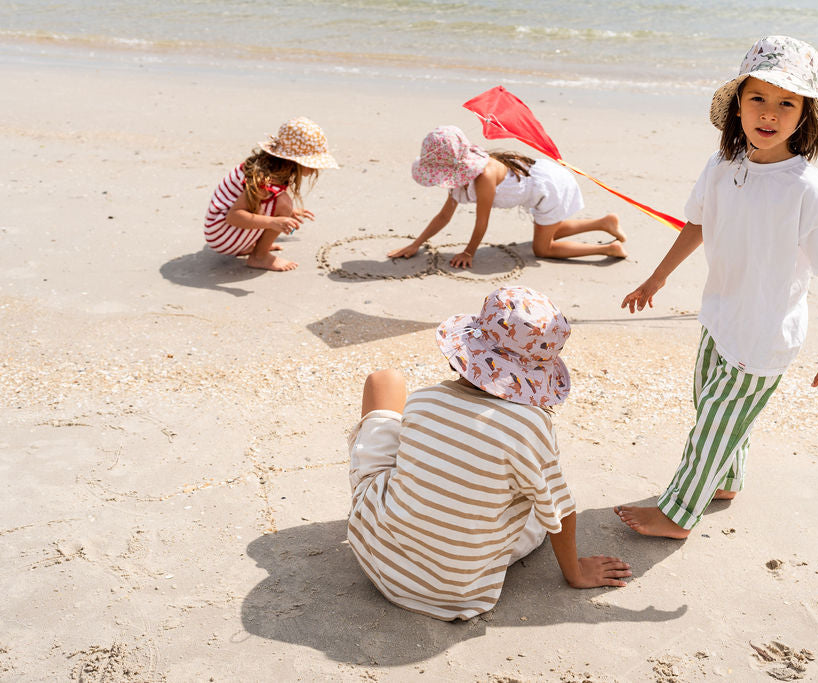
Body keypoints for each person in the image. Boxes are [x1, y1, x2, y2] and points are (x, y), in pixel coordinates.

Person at [616, 36, 818, 540]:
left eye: (786, 102)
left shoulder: (804, 188)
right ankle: (726, 480)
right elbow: (698, 224)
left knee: (714, 426)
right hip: (721, 315)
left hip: (765, 332)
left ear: (805, 116)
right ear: (738, 105)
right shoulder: (722, 167)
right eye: (759, 99)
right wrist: (657, 277)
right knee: (710, 405)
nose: (769, 114)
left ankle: (677, 513)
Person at [346, 286, 631, 620]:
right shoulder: (530, 425)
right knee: (537, 511)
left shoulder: (424, 401)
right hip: (459, 590)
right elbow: (560, 511)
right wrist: (575, 572)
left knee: (385, 381)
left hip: (378, 557)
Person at [388, 125, 627, 268]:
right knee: (553, 229)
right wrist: (415, 245)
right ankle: (604, 223)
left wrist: (469, 252)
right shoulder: (460, 179)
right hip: (541, 186)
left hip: (550, 189)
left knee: (542, 249)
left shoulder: (484, 177)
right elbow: (443, 216)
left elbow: (482, 222)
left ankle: (608, 249)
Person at [203, 117, 338, 271]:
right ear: (294, 161)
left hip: (219, 231)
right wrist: (273, 222)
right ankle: (259, 257)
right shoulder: (265, 181)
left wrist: (287, 213)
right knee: (284, 203)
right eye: (312, 163)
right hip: (222, 234)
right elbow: (233, 216)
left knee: (284, 206)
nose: (316, 169)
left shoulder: (268, 167)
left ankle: (249, 246)